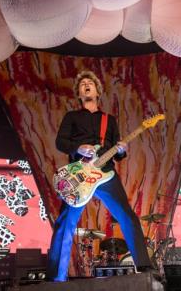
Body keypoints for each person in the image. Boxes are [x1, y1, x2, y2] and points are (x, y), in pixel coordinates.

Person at [47, 70, 152, 282]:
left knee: (127, 216)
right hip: (80, 175)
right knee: (65, 223)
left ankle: (144, 267)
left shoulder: (109, 120)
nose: (86, 85)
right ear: (79, 93)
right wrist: (78, 148)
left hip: (105, 174)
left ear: (97, 91)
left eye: (90, 83)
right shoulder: (72, 117)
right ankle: (55, 278)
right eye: (82, 84)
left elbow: (117, 150)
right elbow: (60, 143)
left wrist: (121, 150)